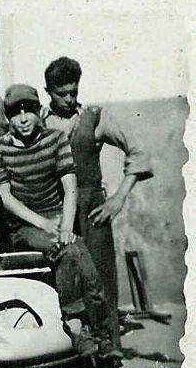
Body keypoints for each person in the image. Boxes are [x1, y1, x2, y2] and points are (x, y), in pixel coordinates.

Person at [0, 84, 122, 368]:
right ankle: (84, 330)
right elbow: (6, 198)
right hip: (24, 226)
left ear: (39, 112)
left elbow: (70, 187)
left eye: (29, 110)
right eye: (16, 113)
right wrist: (44, 224)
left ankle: (93, 336)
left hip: (58, 219)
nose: (23, 118)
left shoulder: (56, 139)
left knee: (81, 254)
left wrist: (65, 226)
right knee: (69, 250)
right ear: (8, 117)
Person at [42, 57, 152, 349]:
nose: (69, 99)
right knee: (67, 282)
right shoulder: (38, 121)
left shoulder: (94, 118)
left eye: (74, 92)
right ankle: (74, 349)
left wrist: (118, 199)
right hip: (56, 209)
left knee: (101, 279)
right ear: (48, 91)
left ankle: (109, 349)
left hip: (91, 210)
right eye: (61, 94)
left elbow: (138, 150)